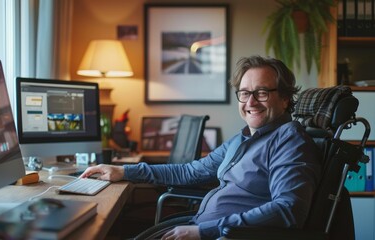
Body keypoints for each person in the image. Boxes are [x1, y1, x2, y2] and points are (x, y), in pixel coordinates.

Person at [81, 56, 322, 239]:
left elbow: (288, 209)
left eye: (261, 93)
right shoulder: (244, 138)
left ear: (285, 98)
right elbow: (190, 171)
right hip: (201, 226)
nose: (250, 102)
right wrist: (124, 172)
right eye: (245, 93)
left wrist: (202, 231)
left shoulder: (289, 141)